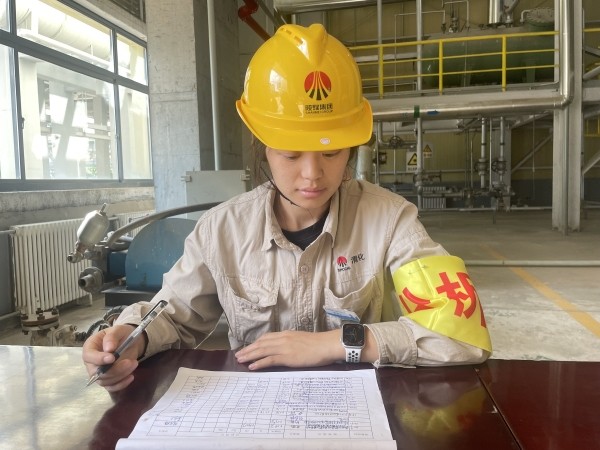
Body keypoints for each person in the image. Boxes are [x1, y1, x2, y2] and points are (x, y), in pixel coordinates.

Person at [83, 23, 491, 392]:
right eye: (291, 154)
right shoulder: (221, 230)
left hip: (356, 410)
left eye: (331, 153)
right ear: (261, 146)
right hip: (256, 411)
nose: (312, 175)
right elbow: (172, 316)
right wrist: (130, 337)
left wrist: (338, 343)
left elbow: (462, 335)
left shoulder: (390, 219)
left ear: (351, 147)